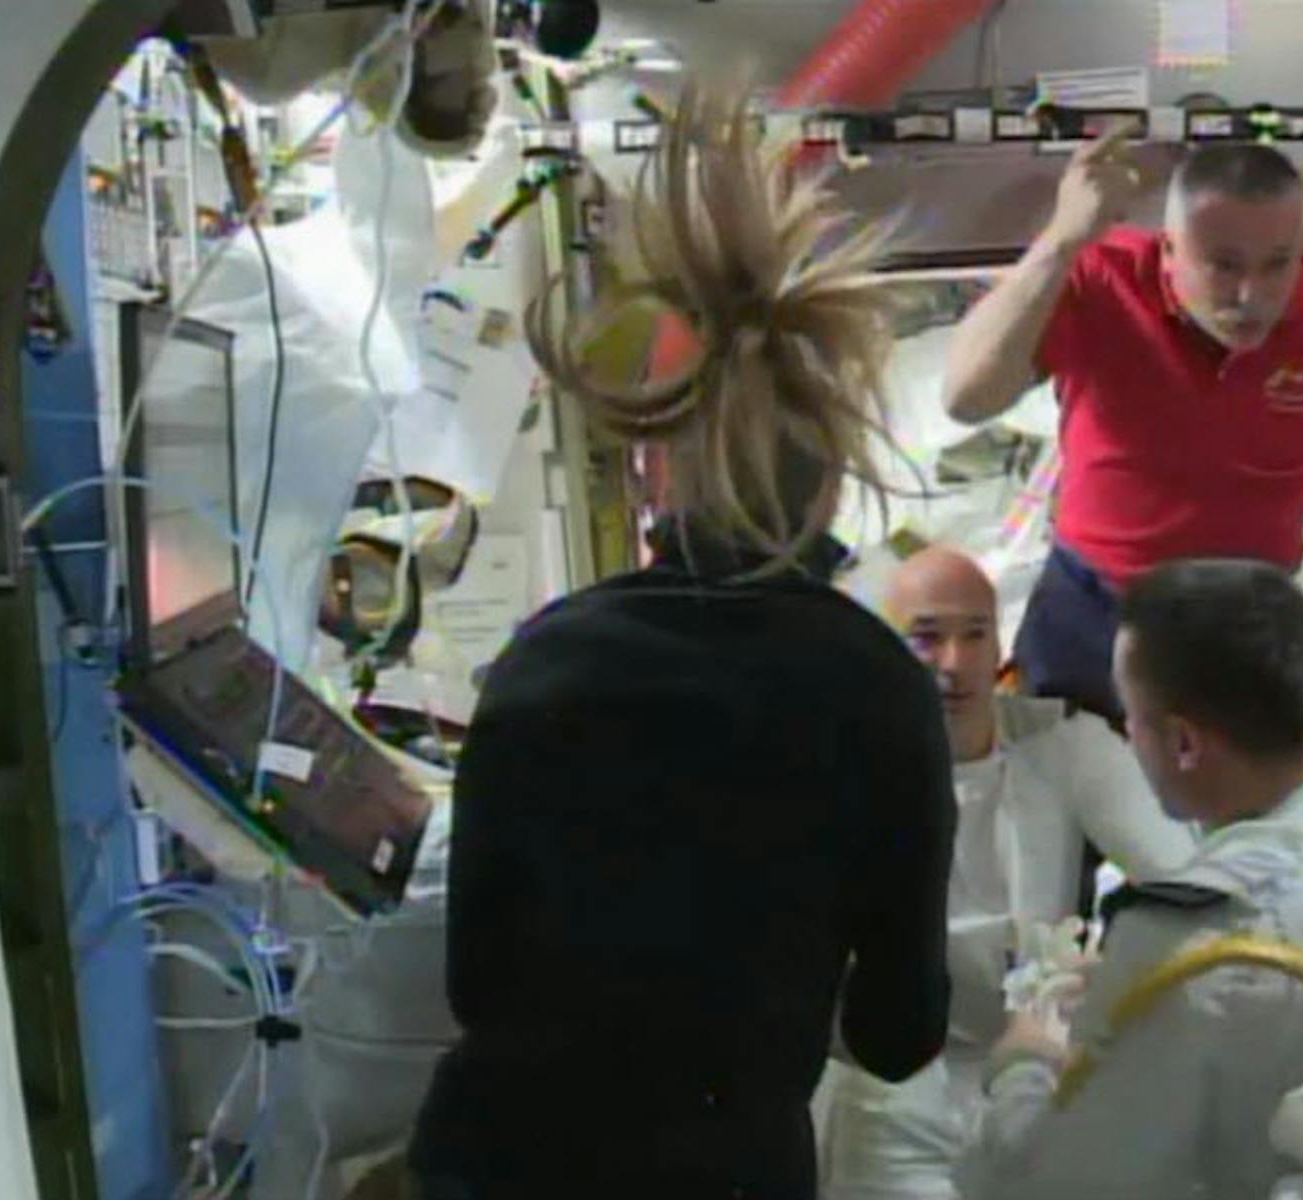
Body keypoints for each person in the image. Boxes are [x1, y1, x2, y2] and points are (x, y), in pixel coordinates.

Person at [406, 85, 955, 1200]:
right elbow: (899, 1036)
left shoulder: (546, 658)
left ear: (657, 474)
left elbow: (476, 983)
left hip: (496, 1166)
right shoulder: (877, 689)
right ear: (833, 477)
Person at [957, 559, 1303, 1199]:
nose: (1128, 737)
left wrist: (1024, 1063)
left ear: (1182, 743)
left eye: (1133, 718)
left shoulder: (1187, 936)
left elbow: (1045, 1185)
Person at [941, 133, 1303, 720]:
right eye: (1223, 265)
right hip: (1088, 609)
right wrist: (1064, 237)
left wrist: (1264, 486)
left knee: (1243, 805)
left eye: (1277, 264)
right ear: (1167, 250)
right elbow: (965, 397)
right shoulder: (1101, 280)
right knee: (1059, 786)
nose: (1252, 296)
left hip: (1244, 613)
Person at [818, 546, 1198, 1200]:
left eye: (975, 635)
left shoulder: (1061, 746)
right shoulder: (838, 769)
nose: (955, 664)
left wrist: (1118, 971)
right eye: (927, 638)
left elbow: (1183, 875)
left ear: (1002, 643)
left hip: (1033, 1072)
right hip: (891, 1099)